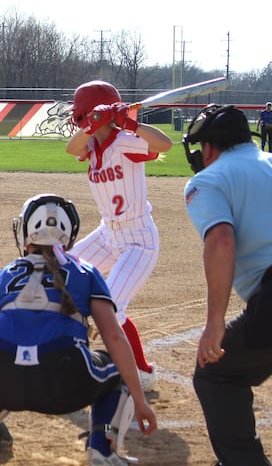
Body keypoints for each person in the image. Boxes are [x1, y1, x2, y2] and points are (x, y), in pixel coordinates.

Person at [0, 193, 157, 466]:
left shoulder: (6, 274)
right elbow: (114, 336)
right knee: (117, 368)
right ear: (68, 236)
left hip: (3, 377)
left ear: (27, 233)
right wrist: (139, 400)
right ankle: (102, 451)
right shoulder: (85, 271)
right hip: (63, 379)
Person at [65, 80, 173, 393]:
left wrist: (128, 122)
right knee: (62, 275)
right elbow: (71, 148)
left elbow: (164, 145)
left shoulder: (125, 139)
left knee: (109, 308)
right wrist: (95, 123)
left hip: (138, 238)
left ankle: (142, 372)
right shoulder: (91, 145)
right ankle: (67, 355)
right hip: (107, 233)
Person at [182, 104, 272, 466]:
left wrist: (215, 321)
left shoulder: (208, 179)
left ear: (208, 148)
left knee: (216, 373)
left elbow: (221, 240)